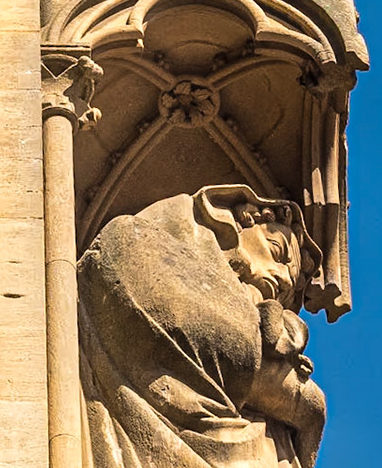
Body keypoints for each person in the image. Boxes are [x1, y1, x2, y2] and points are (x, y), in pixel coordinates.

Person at [78, 187, 328, 468]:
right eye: (276, 251)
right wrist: (304, 402)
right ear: (236, 222)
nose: (282, 278)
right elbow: (228, 344)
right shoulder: (132, 240)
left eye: (290, 285)